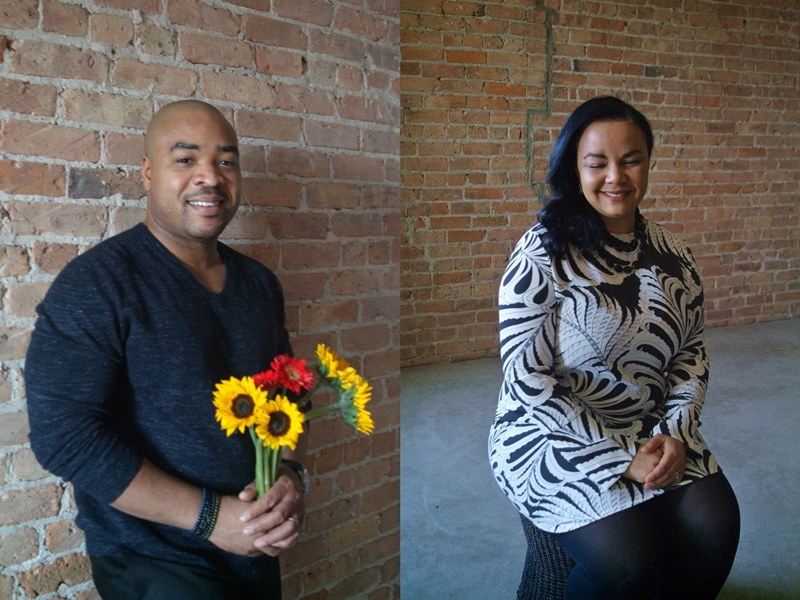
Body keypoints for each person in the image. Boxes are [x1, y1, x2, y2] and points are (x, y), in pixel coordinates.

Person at [26, 100, 308, 600]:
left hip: (252, 547)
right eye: (185, 159)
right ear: (148, 172)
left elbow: (288, 396)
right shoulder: (97, 283)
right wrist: (212, 518)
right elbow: (63, 438)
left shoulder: (259, 284)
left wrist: (290, 473)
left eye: (226, 160)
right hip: (155, 562)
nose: (211, 177)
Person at [488, 96, 740, 599]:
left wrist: (676, 433)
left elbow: (690, 355)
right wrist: (619, 457)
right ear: (574, 168)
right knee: (628, 565)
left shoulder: (674, 253)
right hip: (551, 434)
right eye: (597, 163)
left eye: (631, 160)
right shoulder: (543, 252)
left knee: (716, 528)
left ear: (648, 162)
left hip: (649, 427)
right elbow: (526, 378)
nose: (615, 177)